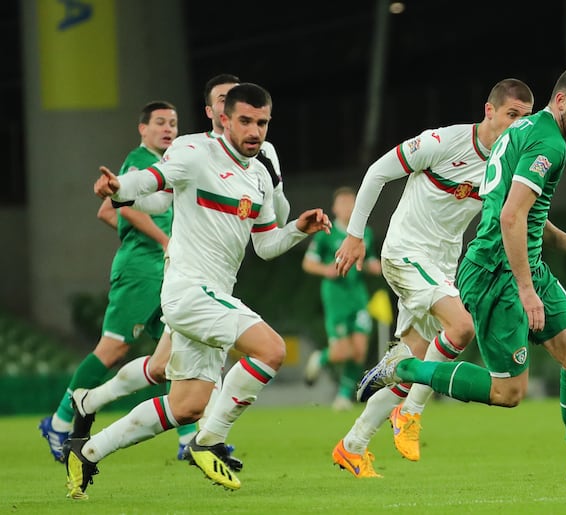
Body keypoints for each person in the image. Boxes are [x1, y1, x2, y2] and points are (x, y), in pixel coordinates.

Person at [355, 60, 566, 482]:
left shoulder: (520, 132)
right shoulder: (549, 145)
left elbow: (522, 213)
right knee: (509, 393)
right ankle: (405, 368)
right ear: (561, 101)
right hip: (495, 273)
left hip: (523, 263)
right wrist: (526, 290)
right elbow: (510, 218)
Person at [65, 83, 331, 499]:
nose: (254, 131)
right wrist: (118, 190)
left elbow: (265, 245)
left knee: (186, 405)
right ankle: (208, 441)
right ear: (223, 118)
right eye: (245, 121)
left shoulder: (259, 175)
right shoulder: (193, 152)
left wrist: (298, 228)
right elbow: (153, 181)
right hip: (188, 290)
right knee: (272, 350)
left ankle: (89, 452)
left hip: (212, 296)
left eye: (261, 123)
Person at [331, 79, 534, 477]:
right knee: (461, 327)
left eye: (525, 119)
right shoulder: (443, 142)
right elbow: (376, 172)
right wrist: (355, 235)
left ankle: (352, 445)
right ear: (489, 111)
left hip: (441, 266)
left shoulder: (509, 164)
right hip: (406, 252)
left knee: (417, 364)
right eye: (512, 115)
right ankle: (411, 414)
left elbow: (524, 217)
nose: (517, 126)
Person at [38, 101, 180, 463]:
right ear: (142, 129)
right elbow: (124, 207)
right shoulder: (139, 160)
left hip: (162, 268)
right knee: (113, 348)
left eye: (173, 124)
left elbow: (106, 210)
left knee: (177, 347)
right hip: (142, 270)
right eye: (160, 122)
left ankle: (190, 437)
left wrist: (143, 236)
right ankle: (59, 421)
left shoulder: (167, 165)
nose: (168, 129)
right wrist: (161, 240)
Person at [301, 186, 382, 411]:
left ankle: (344, 396)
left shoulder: (365, 233)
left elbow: (368, 260)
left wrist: (373, 266)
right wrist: (325, 269)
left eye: (351, 203)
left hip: (358, 294)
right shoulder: (327, 234)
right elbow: (308, 263)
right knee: (342, 351)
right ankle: (321, 358)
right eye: (343, 204)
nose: (348, 208)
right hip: (335, 295)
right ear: (335, 208)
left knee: (359, 350)